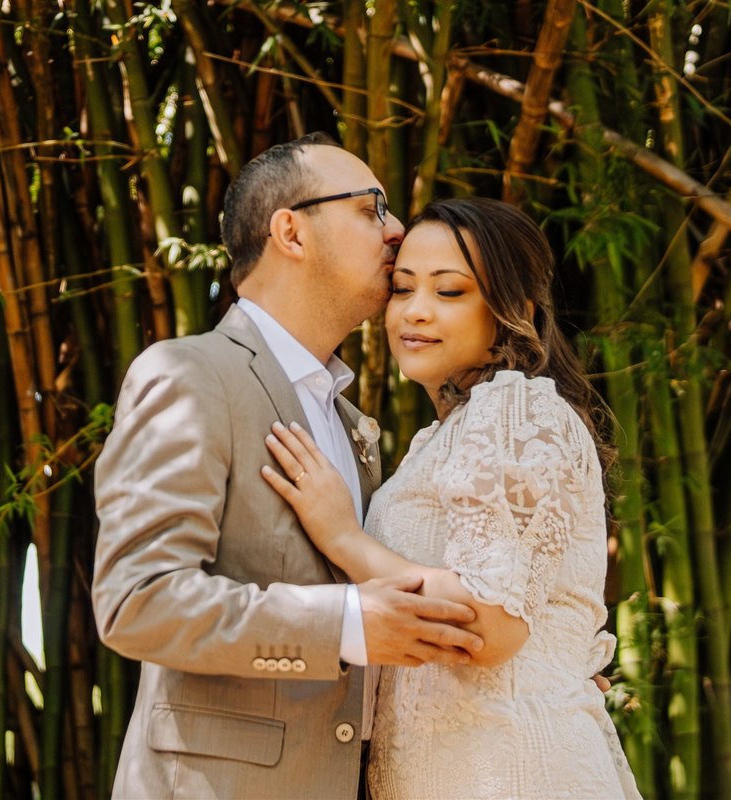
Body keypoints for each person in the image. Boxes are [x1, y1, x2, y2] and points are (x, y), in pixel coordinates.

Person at [90, 134, 486, 799]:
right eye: (370, 208)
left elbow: (392, 625)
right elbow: (139, 601)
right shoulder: (190, 375)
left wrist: (527, 672)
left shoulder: (354, 424)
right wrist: (345, 623)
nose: (396, 230)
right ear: (291, 232)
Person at [261, 197, 642, 799]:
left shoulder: (515, 408)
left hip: (512, 774)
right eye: (403, 288)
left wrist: (342, 536)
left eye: (449, 291)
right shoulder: (446, 435)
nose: (415, 311)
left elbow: (488, 623)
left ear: (514, 311)